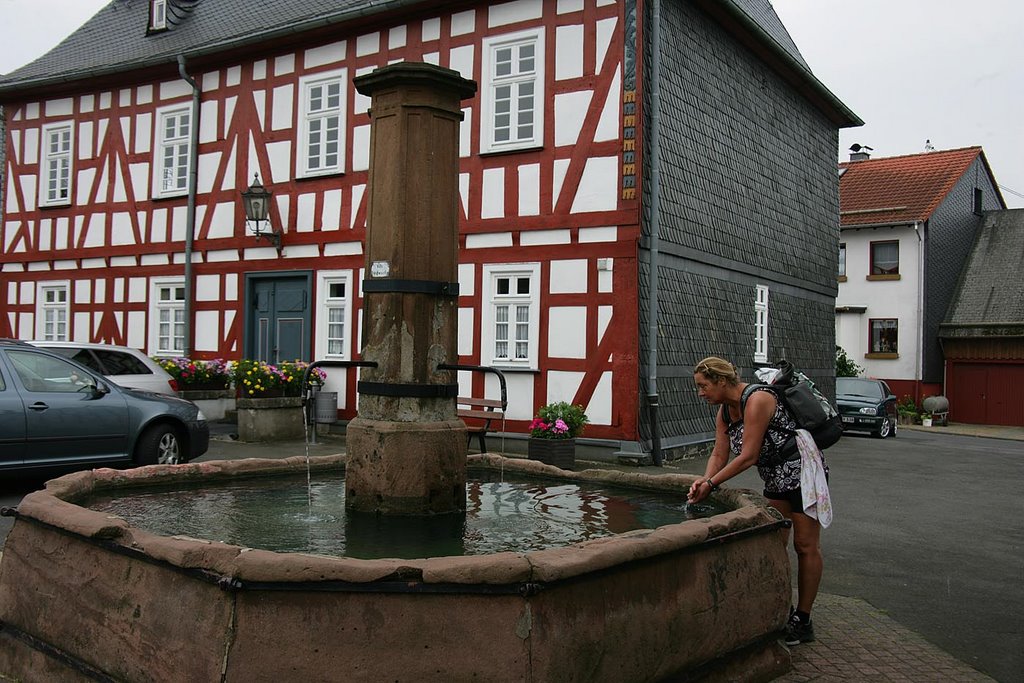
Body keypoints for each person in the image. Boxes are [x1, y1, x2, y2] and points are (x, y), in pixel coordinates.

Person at [687, 356, 826, 646]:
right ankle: (780, 607)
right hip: (775, 477)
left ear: (721, 381)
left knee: (805, 545)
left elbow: (747, 456)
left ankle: (803, 619)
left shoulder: (758, 399)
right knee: (775, 541)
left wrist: (713, 483)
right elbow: (718, 453)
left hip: (803, 473)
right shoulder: (725, 412)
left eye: (703, 386)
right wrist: (704, 480)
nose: (700, 393)